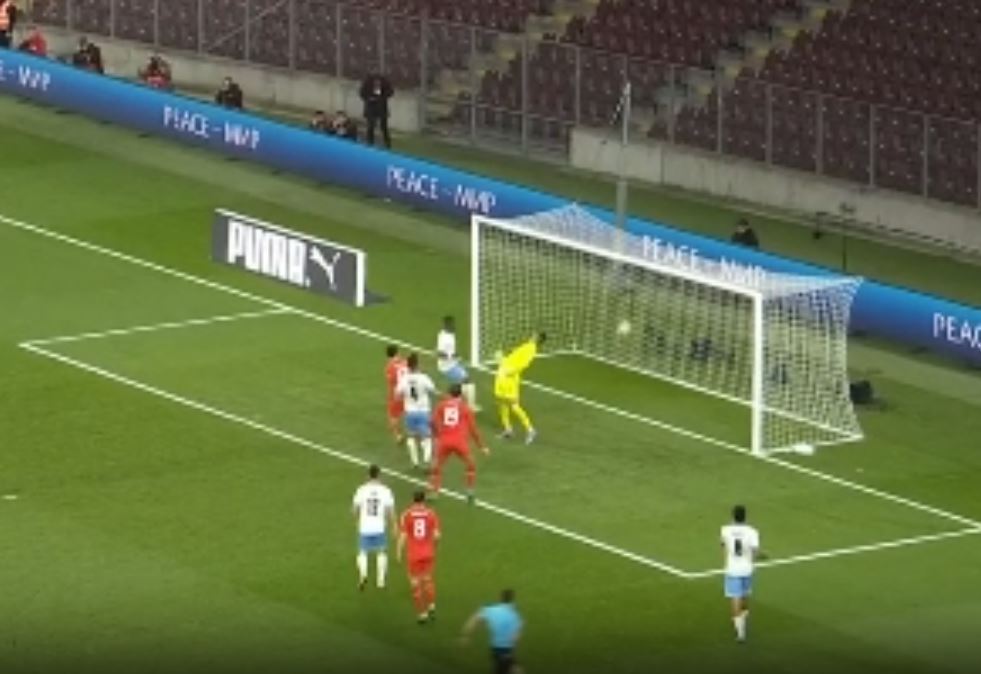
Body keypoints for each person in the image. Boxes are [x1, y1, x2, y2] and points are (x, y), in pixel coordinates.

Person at [429, 383, 489, 504]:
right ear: (461, 395)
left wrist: (436, 434)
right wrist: (482, 446)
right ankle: (470, 491)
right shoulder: (465, 408)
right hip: (460, 442)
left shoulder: (441, 405)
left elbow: (432, 422)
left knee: (436, 466)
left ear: (449, 393)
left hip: (444, 440)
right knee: (471, 465)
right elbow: (473, 429)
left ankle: (434, 492)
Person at [721, 504, 764, 643]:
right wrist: (761, 557)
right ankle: (743, 619)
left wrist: (726, 563)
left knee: (735, 598)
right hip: (747, 568)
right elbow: (756, 551)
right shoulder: (752, 532)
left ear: (733, 516)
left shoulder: (725, 530)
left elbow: (723, 546)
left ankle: (740, 631)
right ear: (745, 516)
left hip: (732, 569)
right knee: (744, 595)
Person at [396, 489, 440, 624]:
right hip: (428, 553)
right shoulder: (431, 514)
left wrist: (398, 552)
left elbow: (403, 536)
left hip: (414, 555)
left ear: (413, 500)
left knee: (415, 583)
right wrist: (434, 547)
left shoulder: (406, 515)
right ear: (424, 499)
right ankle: (432, 605)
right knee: (428, 579)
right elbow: (437, 536)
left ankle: (422, 614)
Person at [494, 332, 546, 445]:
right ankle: (508, 430)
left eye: (535, 335)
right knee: (502, 403)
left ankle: (531, 430)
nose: (532, 334)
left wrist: (510, 372)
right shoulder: (527, 345)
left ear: (537, 338)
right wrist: (502, 359)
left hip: (510, 378)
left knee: (514, 406)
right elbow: (514, 359)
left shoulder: (531, 349)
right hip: (503, 374)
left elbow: (523, 364)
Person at [351, 465, 397, 591]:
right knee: (381, 552)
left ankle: (363, 574)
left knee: (362, 552)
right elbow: (390, 511)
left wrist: (357, 521)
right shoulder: (386, 491)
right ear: (379, 475)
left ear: (368, 475)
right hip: (379, 526)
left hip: (365, 526)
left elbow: (354, 510)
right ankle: (380, 580)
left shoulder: (361, 490)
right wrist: (394, 526)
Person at [461, 589, 524, 674]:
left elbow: (474, 620)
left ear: (500, 598)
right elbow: (515, 637)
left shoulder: (490, 609)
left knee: (514, 669)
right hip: (504, 650)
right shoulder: (514, 615)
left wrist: (466, 636)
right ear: (512, 600)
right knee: (513, 669)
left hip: (496, 648)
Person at [394, 353, 437, 470]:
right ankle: (427, 460)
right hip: (423, 412)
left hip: (410, 412)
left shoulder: (404, 379)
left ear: (408, 366)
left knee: (411, 436)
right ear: (417, 365)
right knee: (427, 437)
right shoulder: (424, 378)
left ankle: (415, 462)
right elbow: (433, 390)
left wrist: (405, 398)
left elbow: (397, 395)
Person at [436, 315, 478, 410]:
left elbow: (450, 350)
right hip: (447, 367)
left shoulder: (451, 334)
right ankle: (470, 406)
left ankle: (451, 398)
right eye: (451, 324)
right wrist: (452, 356)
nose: (454, 326)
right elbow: (439, 354)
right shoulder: (443, 338)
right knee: (468, 381)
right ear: (446, 325)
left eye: (453, 323)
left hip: (453, 364)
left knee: (460, 384)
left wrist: (455, 356)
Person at [359, 73, 393, 148]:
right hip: (371, 107)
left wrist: (382, 97)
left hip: (381, 106)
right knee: (370, 126)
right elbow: (362, 93)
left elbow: (390, 92)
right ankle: (370, 143)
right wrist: (369, 98)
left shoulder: (384, 80)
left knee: (383, 126)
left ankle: (387, 143)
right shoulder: (368, 80)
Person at [384, 344, 408, 444]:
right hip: (407, 392)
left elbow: (390, 380)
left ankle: (398, 436)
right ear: (397, 352)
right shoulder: (405, 362)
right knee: (408, 411)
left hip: (396, 394)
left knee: (393, 415)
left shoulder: (389, 367)